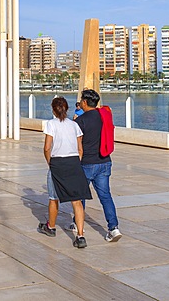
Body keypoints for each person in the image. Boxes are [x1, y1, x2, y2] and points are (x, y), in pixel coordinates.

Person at [38, 96, 90, 248]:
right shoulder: (74, 125)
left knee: (54, 198)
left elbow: (47, 147)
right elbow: (80, 148)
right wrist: (76, 162)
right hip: (73, 162)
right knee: (77, 201)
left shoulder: (51, 124)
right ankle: (80, 236)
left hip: (57, 162)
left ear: (53, 110)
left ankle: (51, 227)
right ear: (67, 109)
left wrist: (50, 162)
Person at [75, 89, 122, 242]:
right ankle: (113, 228)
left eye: (82, 100)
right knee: (105, 196)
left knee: (80, 195)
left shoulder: (80, 121)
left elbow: (76, 144)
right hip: (104, 161)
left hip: (86, 163)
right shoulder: (104, 116)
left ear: (85, 102)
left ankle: (77, 223)